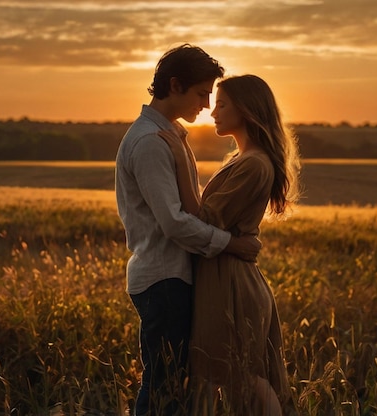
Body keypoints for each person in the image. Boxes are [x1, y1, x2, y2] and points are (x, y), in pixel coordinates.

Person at [115, 44, 262, 416]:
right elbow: (175, 222)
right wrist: (233, 244)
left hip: (171, 277)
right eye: (201, 93)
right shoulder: (151, 142)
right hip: (164, 279)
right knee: (163, 387)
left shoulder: (170, 136)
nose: (207, 103)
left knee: (173, 386)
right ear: (175, 85)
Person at [158, 74, 300, 415]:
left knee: (245, 376)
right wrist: (237, 243)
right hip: (223, 276)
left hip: (233, 284)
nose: (213, 112)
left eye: (221, 104)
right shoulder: (242, 158)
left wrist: (180, 158)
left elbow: (203, 219)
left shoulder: (253, 163)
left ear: (246, 109)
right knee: (222, 376)